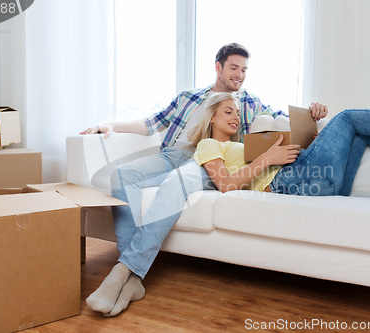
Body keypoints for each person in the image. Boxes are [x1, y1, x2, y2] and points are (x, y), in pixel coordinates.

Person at [80, 43, 325, 316]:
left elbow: (283, 119)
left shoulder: (249, 102)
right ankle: (133, 276)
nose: (239, 75)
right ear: (218, 67)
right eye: (234, 67)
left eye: (244, 70)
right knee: (122, 174)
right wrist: (111, 125)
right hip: (171, 154)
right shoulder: (189, 96)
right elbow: (151, 123)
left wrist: (312, 113)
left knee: (177, 181)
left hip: (207, 157)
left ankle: (125, 272)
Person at [193, 92, 370, 198]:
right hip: (287, 183)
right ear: (212, 116)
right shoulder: (208, 144)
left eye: (238, 113)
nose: (236, 117)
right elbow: (226, 186)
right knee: (348, 117)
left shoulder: (245, 142)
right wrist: (269, 157)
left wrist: (317, 143)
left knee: (358, 134)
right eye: (229, 112)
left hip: (321, 182)